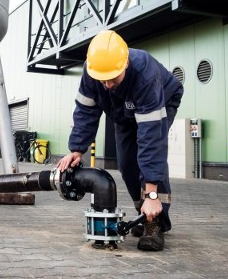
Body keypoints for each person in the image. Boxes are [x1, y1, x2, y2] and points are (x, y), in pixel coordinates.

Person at [57, 30, 183, 251]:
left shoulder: (145, 75)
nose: (107, 84)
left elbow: (152, 140)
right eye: (102, 79)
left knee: (146, 155)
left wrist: (152, 193)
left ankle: (155, 222)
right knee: (126, 163)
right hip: (124, 113)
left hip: (162, 100)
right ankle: (143, 213)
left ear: (125, 64)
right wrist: (77, 149)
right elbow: (86, 111)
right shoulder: (93, 71)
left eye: (112, 78)